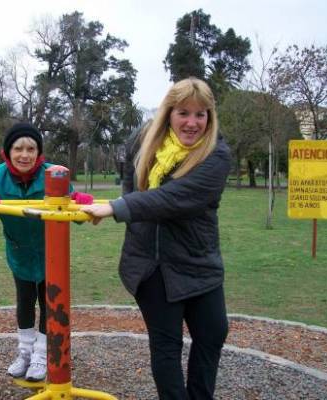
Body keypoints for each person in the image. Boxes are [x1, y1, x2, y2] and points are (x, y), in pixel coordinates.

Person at [81, 77, 231, 399]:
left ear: (210, 117)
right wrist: (133, 214)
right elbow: (129, 173)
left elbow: (174, 197)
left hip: (197, 262)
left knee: (213, 333)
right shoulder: (144, 138)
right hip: (151, 265)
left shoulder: (216, 155)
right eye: (183, 113)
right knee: (166, 345)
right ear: (169, 113)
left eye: (200, 114)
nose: (192, 123)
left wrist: (118, 208)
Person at [0, 122, 92, 382]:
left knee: (48, 303)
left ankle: (42, 355)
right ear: (7, 152)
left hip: (50, 254)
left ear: (38, 152)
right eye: (18, 148)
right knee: (24, 301)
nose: (25, 154)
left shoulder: (53, 175)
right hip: (19, 252)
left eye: (31, 148)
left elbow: (76, 215)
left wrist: (81, 202)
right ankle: (25, 352)